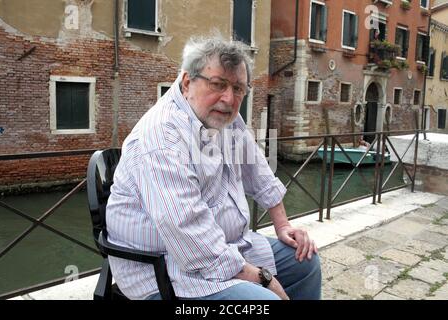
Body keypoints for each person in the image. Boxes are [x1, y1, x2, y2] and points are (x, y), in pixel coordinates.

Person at [106, 36, 321, 300]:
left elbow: (256, 166)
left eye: (239, 89)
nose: (229, 99)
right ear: (187, 83)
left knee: (306, 261)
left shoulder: (223, 117)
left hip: (227, 247)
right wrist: (265, 281)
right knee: (264, 302)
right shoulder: (161, 138)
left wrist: (282, 225)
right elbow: (190, 235)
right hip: (164, 268)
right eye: (218, 84)